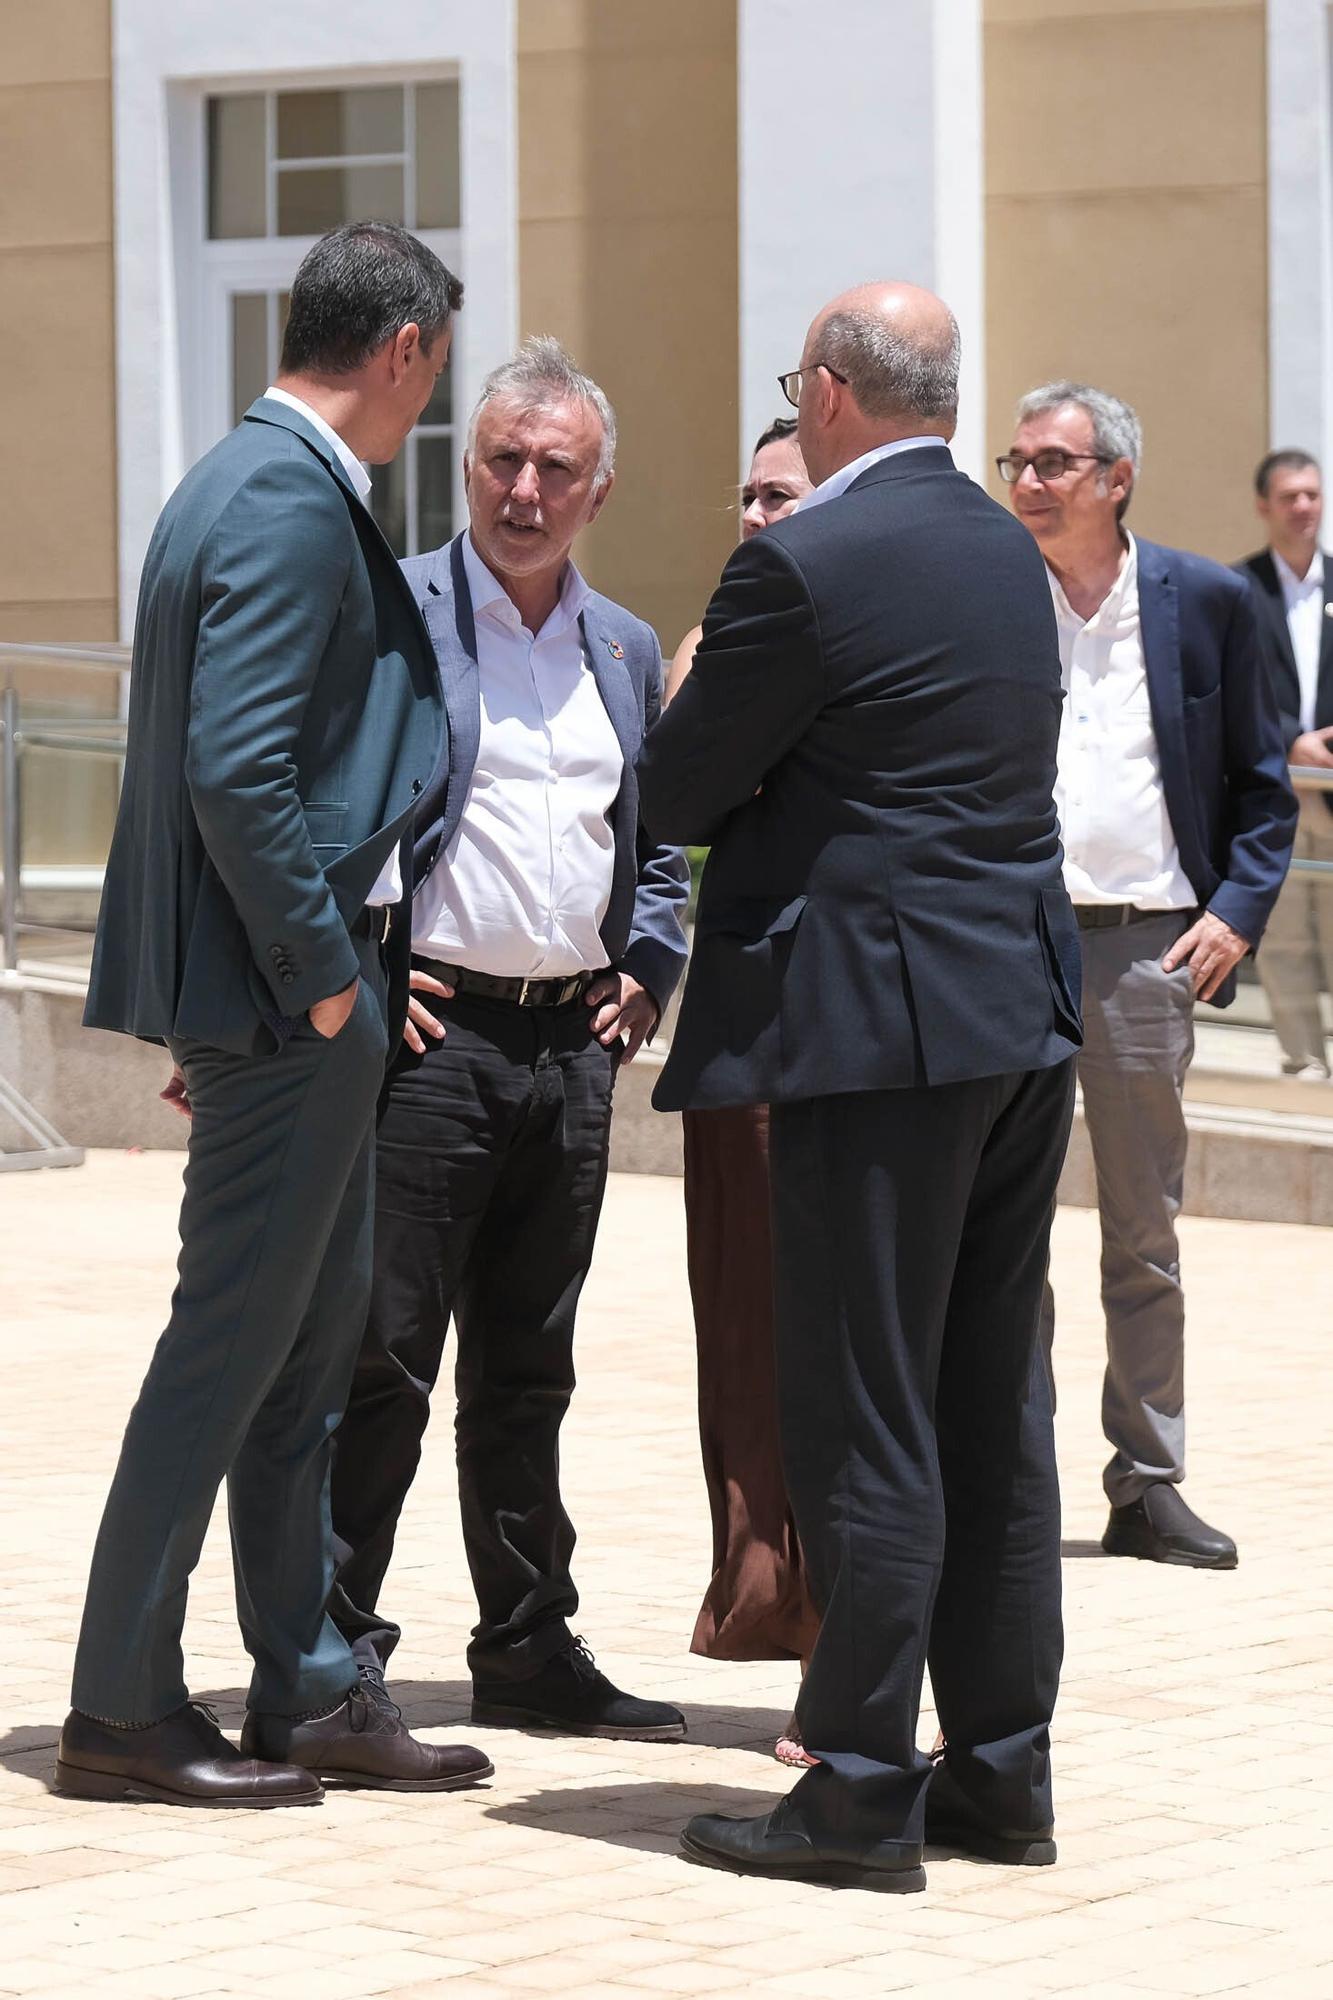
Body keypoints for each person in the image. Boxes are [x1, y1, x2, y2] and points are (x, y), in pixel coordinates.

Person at [640, 282, 1082, 1893]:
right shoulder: (1000, 550)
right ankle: (1002, 1775)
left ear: (826, 395)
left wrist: (705, 699)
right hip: (1014, 1026)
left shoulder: (798, 561)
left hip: (873, 1039)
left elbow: (679, 785)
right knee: (991, 1409)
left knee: (867, 1411)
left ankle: (852, 1790)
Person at [58, 223, 493, 1807]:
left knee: (308, 1348)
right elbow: (232, 769)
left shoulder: (238, 479)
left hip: (289, 1000)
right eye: (437, 361)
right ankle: (119, 1705)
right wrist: (318, 981)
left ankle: (307, 1679)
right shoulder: (287, 499)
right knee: (231, 1348)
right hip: (293, 1003)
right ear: (403, 352)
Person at [326, 338, 691, 1742]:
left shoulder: (624, 644)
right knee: (384, 1359)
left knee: (530, 1370)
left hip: (567, 1056)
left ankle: (529, 1646)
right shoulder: (392, 611)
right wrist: (363, 970)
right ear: (464, 466)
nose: (522, 490)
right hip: (428, 1049)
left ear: (598, 490)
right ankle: (332, 1652)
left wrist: (644, 975)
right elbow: (317, 803)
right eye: (501, 461)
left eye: (554, 468)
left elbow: (654, 847)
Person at [1001, 382, 1296, 1571]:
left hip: (1145, 949)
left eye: (1054, 463)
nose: (1028, 481)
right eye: (1016, 459)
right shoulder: (989, 596)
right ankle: (1010, 1472)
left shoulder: (1208, 600)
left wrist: (1232, 912)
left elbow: (1266, 785)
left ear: (1116, 477)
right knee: (1003, 1228)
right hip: (1010, 942)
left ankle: (1150, 1479)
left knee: (1142, 1230)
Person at [666, 418, 820, 1768]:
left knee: (825, 1346)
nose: (759, 515)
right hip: (732, 1045)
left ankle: (847, 1647)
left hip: (832, 1048)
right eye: (750, 495)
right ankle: (765, 1601)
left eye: (786, 493)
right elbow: (661, 826)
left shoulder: (831, 639)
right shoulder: (710, 647)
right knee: (740, 1337)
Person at [1236, 450, 1333, 1079]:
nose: (1304, 507)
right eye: (1290, 496)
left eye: (1313, 495)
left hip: (1332, 793)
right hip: (1272, 797)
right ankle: (1303, 1061)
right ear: (1264, 506)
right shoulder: (1237, 590)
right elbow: (1227, 693)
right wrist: (1290, 740)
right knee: (1286, 939)